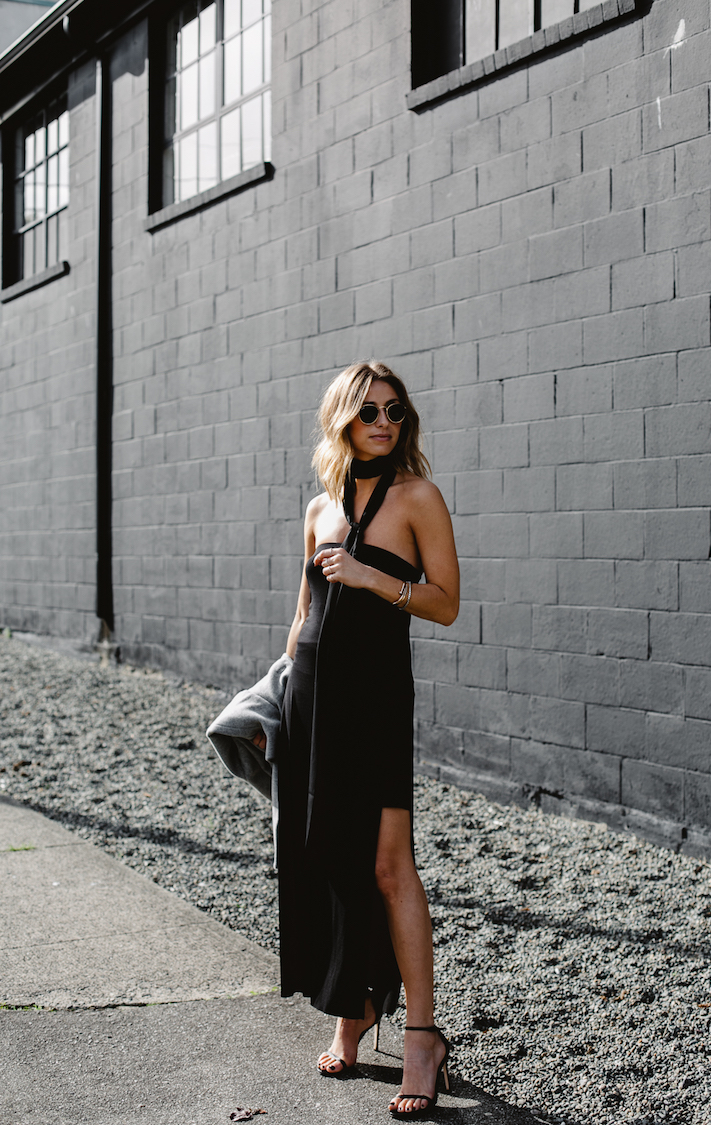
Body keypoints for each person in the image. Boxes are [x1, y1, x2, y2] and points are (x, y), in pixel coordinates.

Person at [275, 361, 460, 1118]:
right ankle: (354, 1012)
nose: (385, 422)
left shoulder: (417, 498)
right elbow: (300, 618)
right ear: (343, 420)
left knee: (389, 865)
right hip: (315, 700)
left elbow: (446, 603)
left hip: (378, 702)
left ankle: (422, 1039)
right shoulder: (318, 507)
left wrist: (370, 576)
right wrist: (277, 705)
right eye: (370, 411)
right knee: (332, 856)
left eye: (395, 411)